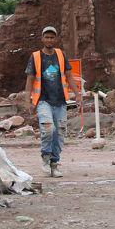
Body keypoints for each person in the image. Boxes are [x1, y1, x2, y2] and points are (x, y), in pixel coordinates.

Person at [24, 26, 79, 178]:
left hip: (60, 101)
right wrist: (27, 100)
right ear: (42, 39)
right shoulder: (35, 57)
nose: (49, 40)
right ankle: (45, 157)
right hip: (43, 100)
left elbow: (69, 76)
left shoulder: (61, 55)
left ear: (55, 39)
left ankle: (54, 163)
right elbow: (30, 80)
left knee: (60, 132)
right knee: (48, 129)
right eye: (46, 37)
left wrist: (77, 94)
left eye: (52, 37)